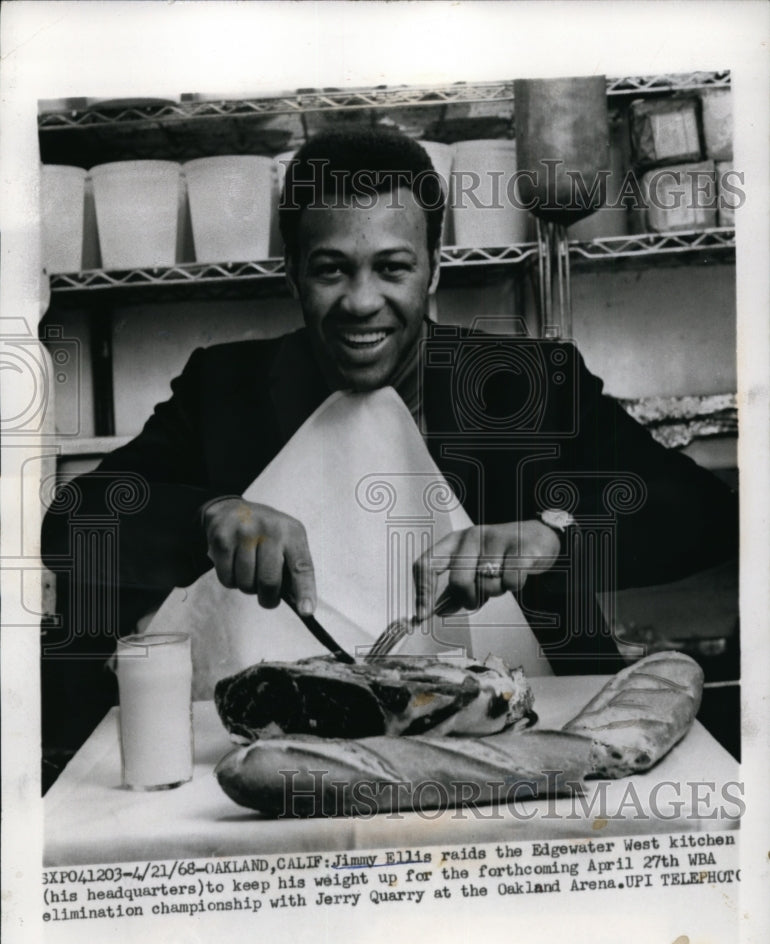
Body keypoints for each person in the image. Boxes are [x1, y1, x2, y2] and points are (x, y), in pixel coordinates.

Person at [41, 126, 738, 763]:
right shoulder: (225, 388)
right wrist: (210, 515)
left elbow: (706, 515)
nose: (362, 302)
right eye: (331, 269)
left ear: (434, 268)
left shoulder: (532, 383)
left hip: (517, 752)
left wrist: (554, 536)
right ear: (291, 274)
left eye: (393, 267)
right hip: (283, 752)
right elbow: (72, 522)